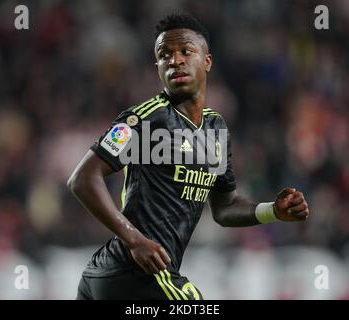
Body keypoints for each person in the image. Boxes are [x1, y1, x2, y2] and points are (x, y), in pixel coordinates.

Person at [67, 13, 309, 300]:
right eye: (164, 55)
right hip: (134, 274)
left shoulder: (215, 128)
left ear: (207, 61)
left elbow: (224, 208)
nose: (175, 60)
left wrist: (273, 211)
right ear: (157, 67)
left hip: (115, 279)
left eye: (185, 51)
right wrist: (134, 240)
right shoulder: (143, 119)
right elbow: (82, 178)